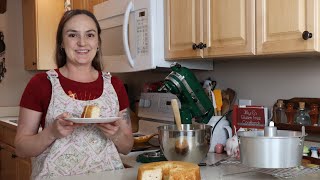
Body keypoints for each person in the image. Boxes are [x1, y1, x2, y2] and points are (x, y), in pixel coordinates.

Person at [14, 9, 134, 179]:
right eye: (72, 35)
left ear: (98, 42)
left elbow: (127, 146)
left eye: (90, 35)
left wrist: (115, 135)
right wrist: (51, 133)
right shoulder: (41, 84)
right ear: (61, 42)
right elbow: (21, 147)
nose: (82, 43)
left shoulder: (115, 85)